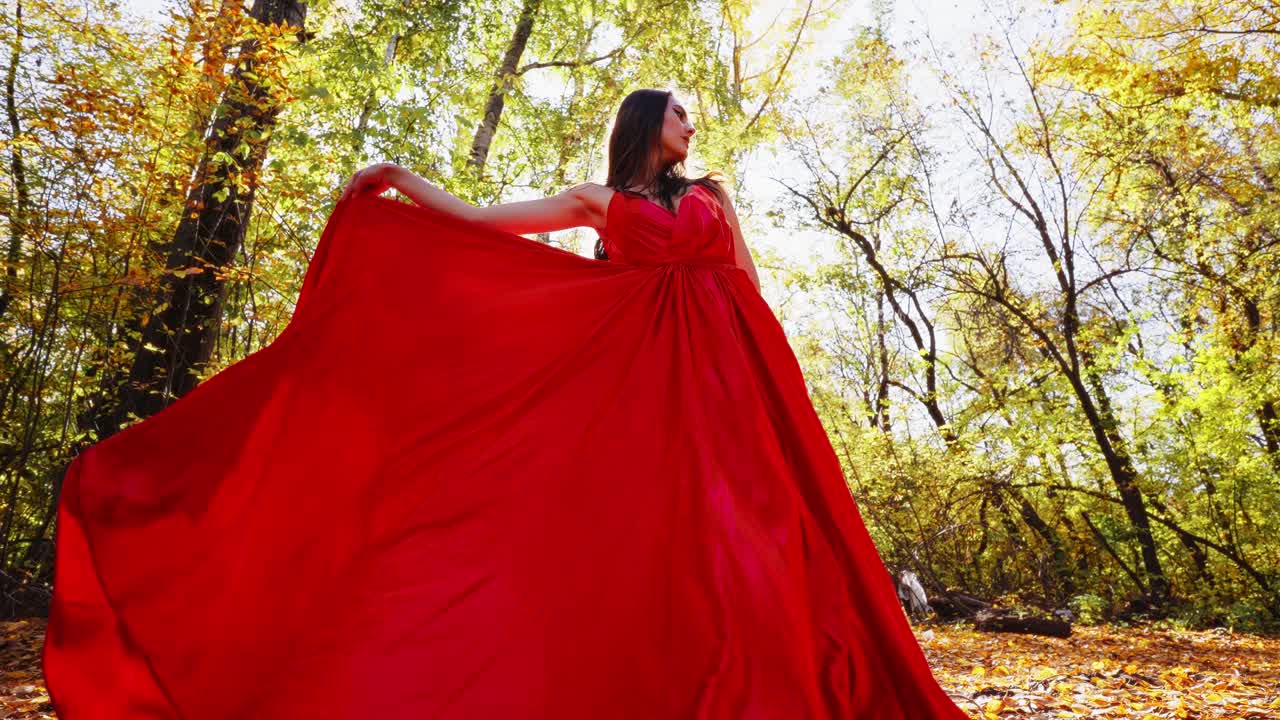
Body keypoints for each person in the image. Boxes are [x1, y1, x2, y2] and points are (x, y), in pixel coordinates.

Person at [42, 88, 973, 718]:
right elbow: (489, 226)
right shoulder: (601, 202)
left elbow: (745, 284)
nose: (694, 124)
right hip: (647, 403)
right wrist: (401, 186)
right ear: (649, 124)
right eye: (680, 112)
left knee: (755, 536)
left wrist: (776, 387)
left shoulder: (715, 197)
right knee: (656, 546)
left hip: (729, 390)